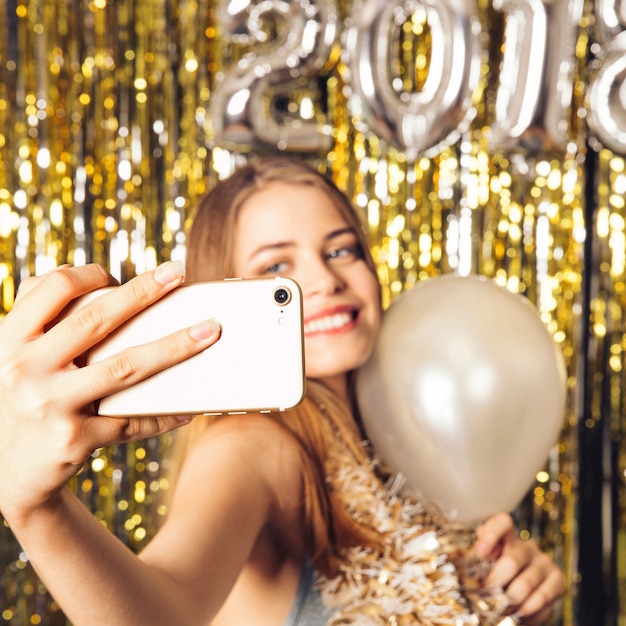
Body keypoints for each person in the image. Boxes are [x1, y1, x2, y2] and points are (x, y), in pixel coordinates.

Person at [0, 157, 564, 625]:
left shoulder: (406, 439)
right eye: (276, 266)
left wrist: (509, 590)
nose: (322, 280)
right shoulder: (255, 446)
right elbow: (162, 609)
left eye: (341, 249)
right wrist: (36, 509)